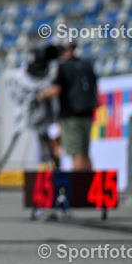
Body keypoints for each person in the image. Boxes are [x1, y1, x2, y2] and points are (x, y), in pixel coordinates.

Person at [37, 40, 98, 171]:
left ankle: (79, 189)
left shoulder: (64, 66)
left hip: (71, 115)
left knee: (76, 153)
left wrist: (41, 95)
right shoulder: (86, 64)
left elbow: (56, 89)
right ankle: (89, 186)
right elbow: (95, 87)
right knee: (85, 152)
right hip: (87, 114)